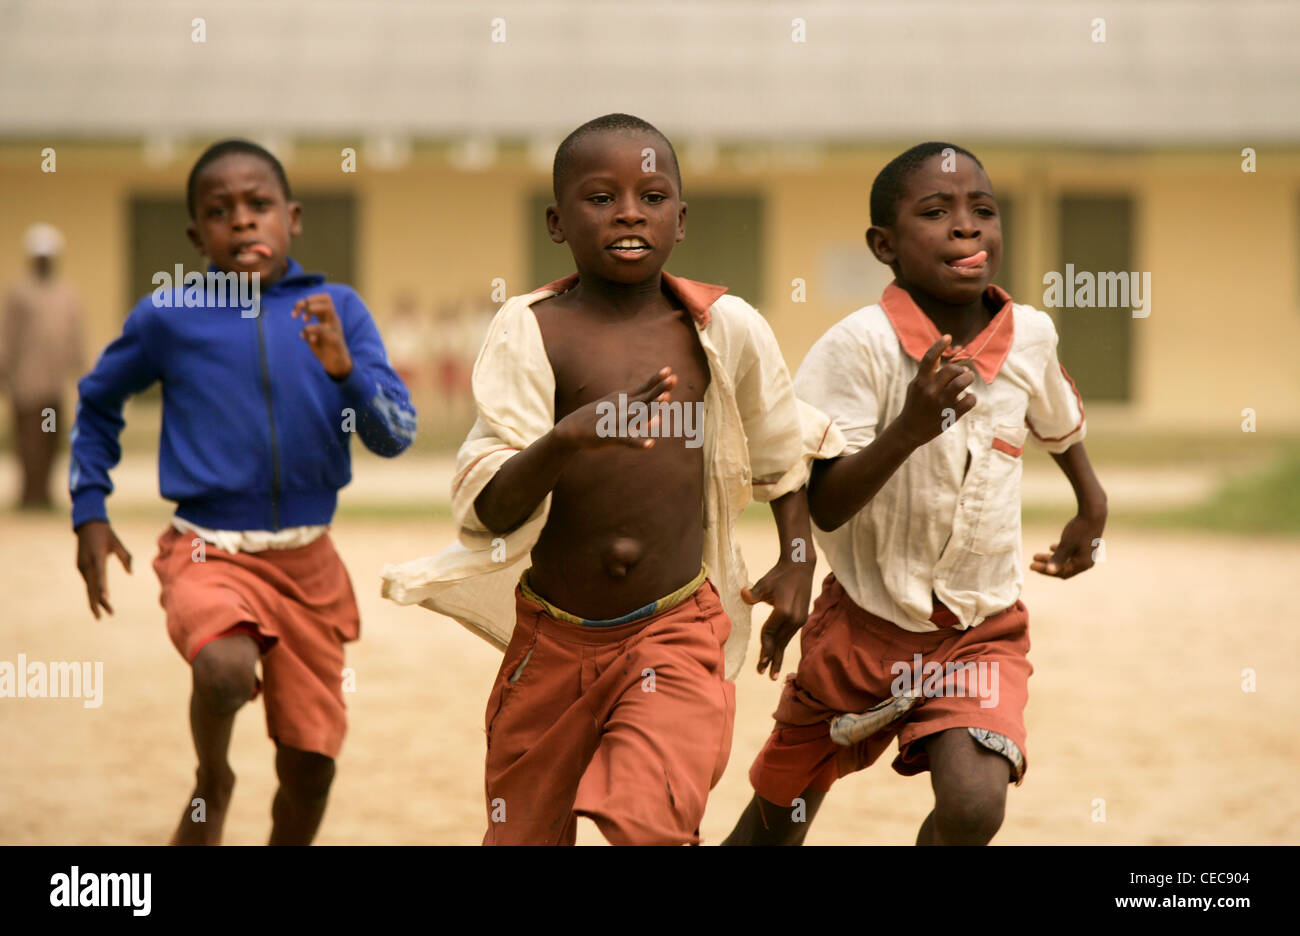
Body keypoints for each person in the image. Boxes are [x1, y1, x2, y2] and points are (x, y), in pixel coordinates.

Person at [382, 113, 842, 845]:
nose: (629, 211)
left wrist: (795, 558)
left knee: (645, 822)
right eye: (601, 198)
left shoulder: (724, 330)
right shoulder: (531, 330)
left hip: (674, 631)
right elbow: (493, 510)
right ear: (557, 222)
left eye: (652, 196)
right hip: (552, 641)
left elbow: (784, 450)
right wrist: (570, 435)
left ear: (681, 220)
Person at [725, 142, 1108, 846]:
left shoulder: (1028, 336)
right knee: (780, 818)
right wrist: (910, 427)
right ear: (885, 245)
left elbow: (1057, 419)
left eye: (983, 211)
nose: (967, 228)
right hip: (864, 625)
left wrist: (1092, 503)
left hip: (980, 628)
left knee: (973, 806)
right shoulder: (857, 348)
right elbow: (826, 501)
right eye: (936, 212)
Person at [69, 139, 417, 845]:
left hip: (309, 564)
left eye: (259, 205)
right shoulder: (169, 318)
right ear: (197, 234)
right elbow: (98, 400)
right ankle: (213, 778)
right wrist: (89, 510)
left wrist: (347, 373)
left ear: (290, 217)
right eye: (220, 211)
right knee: (224, 670)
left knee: (311, 770)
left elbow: (395, 434)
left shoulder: (338, 311)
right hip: (208, 549)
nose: (242, 221)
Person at [2, 223, 84, 509]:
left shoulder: (66, 293)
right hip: (26, 385)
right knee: (29, 443)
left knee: (51, 439)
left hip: (53, 386)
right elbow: (7, 336)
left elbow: (74, 336)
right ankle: (29, 494)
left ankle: (45, 492)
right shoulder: (19, 293)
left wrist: (84, 372)